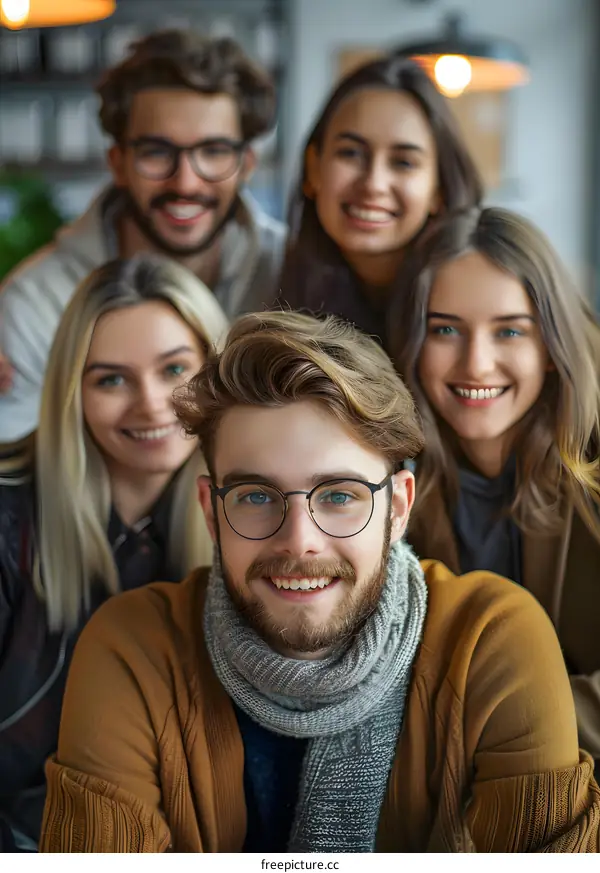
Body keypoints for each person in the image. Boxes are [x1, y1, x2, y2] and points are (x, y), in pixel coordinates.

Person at [40, 311, 600, 853]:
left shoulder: (494, 639)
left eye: (339, 496)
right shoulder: (132, 648)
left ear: (397, 509)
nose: (299, 541)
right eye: (257, 497)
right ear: (212, 513)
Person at [0, 254, 228, 851]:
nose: (152, 405)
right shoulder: (7, 518)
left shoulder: (260, 514)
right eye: (111, 379)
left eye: (175, 368)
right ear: (71, 390)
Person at [389, 207, 600, 770]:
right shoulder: (384, 471)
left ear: (552, 348)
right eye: (445, 330)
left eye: (509, 330)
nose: (476, 364)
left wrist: (509, 722)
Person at [0, 28, 286, 443]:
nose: (186, 182)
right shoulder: (37, 301)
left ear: (247, 163)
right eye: (157, 152)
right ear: (118, 162)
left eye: (213, 151)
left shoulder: (292, 268)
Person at [277, 54, 482, 344]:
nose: (373, 184)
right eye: (350, 153)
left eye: (404, 162)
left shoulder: (478, 295)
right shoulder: (278, 285)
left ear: (439, 189)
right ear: (314, 168)